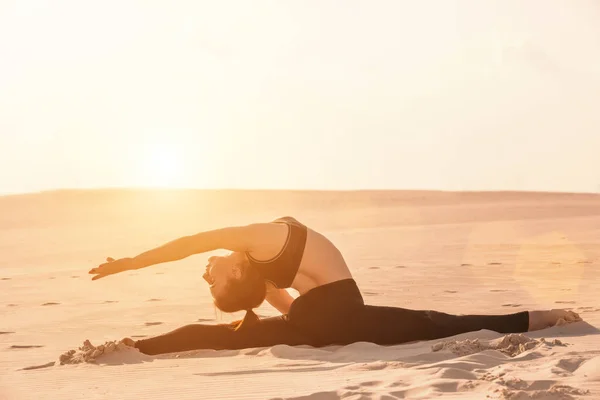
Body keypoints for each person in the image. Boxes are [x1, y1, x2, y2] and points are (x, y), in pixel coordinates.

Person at [89, 216, 581, 355]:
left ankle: (139, 347)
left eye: (210, 277)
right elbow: (285, 304)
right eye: (210, 279)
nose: (206, 270)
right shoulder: (260, 251)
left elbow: (194, 241)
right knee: (439, 323)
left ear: (237, 271)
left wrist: (132, 262)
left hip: (324, 320)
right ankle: (546, 317)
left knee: (222, 335)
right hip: (334, 314)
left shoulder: (257, 243)